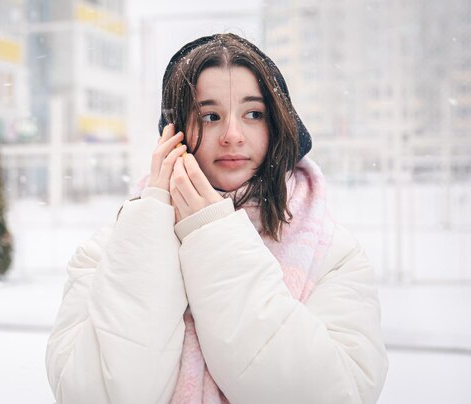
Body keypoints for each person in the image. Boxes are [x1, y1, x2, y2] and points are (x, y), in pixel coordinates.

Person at [45, 33, 388, 404]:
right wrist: (151, 219)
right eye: (210, 116)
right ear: (172, 136)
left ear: (277, 126)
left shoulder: (332, 255)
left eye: (253, 114)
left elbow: (334, 393)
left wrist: (212, 234)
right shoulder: (109, 250)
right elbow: (98, 394)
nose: (232, 135)